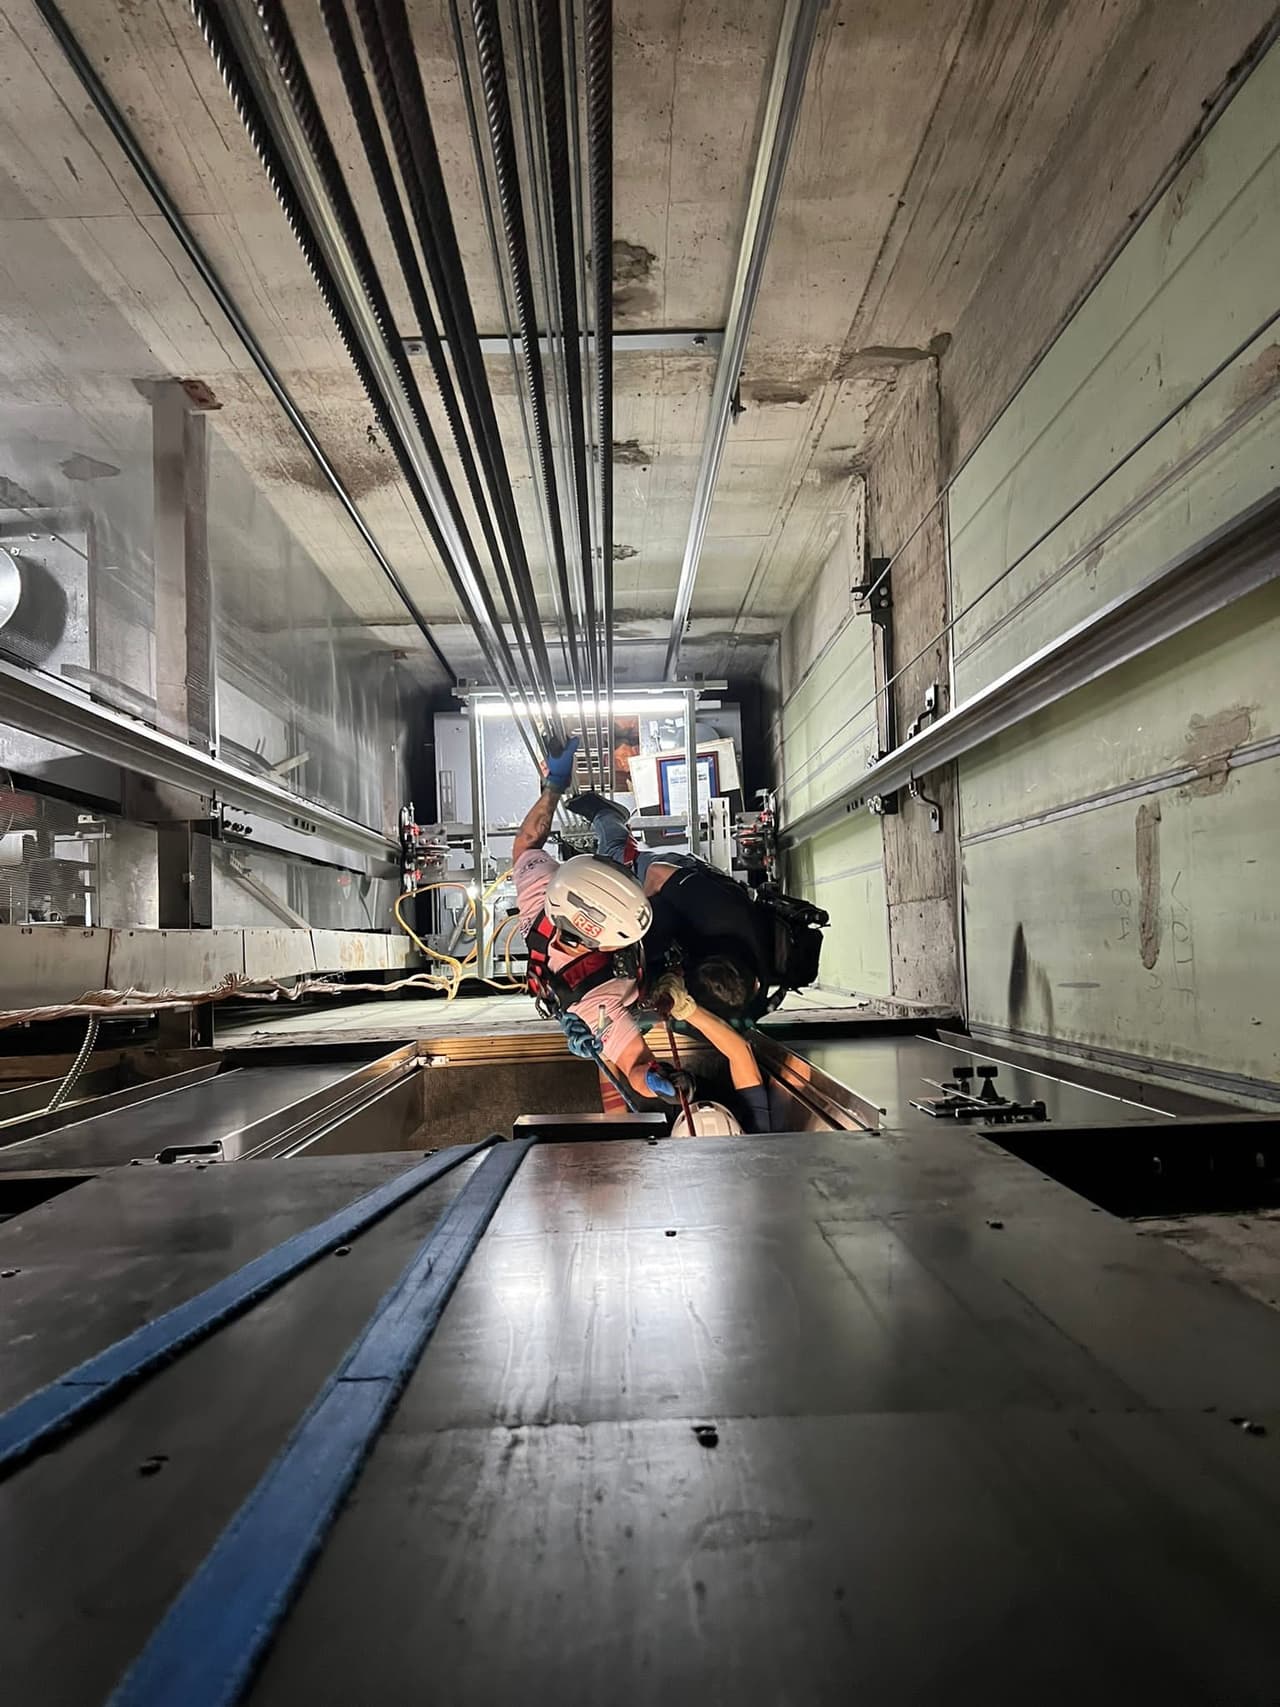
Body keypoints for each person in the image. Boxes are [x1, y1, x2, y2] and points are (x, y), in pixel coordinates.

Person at [513, 739, 686, 1105]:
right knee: (621, 853)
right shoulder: (596, 1002)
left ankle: (609, 824)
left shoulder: (541, 893)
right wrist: (661, 1082)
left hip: (611, 886)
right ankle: (609, 820)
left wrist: (554, 786)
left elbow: (527, 844)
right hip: (636, 972)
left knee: (616, 856)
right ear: (606, 943)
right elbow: (637, 1064)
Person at [566, 790, 771, 1020]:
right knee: (615, 864)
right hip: (676, 877)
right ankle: (607, 815)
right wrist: (631, 926)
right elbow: (657, 873)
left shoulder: (747, 984)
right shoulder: (717, 913)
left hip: (687, 926)